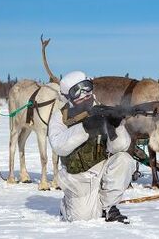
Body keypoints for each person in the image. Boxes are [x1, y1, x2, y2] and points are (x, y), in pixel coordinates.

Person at [48, 71, 135, 224]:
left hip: (102, 166)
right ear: (67, 97)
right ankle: (66, 206)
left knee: (124, 159)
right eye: (77, 91)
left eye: (86, 87)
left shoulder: (103, 110)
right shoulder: (59, 118)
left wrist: (117, 126)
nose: (84, 94)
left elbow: (121, 146)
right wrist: (85, 127)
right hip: (78, 177)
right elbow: (59, 146)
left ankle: (109, 207)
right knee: (83, 218)